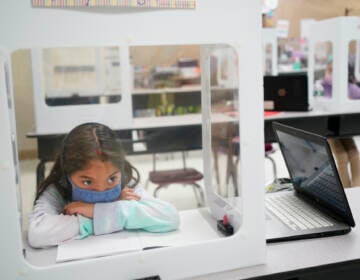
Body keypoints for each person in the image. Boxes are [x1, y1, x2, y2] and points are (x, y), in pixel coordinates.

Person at [28, 122, 180, 248]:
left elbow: (169, 216)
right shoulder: (58, 189)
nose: (101, 189)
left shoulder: (126, 182)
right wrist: (113, 213)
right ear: (68, 175)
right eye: (87, 182)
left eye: (111, 179)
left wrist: (94, 211)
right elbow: (38, 235)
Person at [320, 62, 360, 187]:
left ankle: (357, 187)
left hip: (344, 127)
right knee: (342, 157)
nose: (332, 74)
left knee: (354, 153)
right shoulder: (321, 86)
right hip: (328, 128)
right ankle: (346, 189)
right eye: (329, 70)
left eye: (335, 71)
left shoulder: (350, 87)